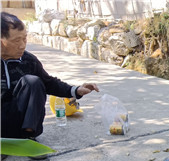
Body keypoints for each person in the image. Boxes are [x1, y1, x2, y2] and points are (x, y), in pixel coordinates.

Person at [1, 12, 99, 151]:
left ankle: (28, 140)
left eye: (25, 39)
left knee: (33, 82)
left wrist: (75, 90)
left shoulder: (28, 60)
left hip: (18, 120)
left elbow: (48, 83)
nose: (22, 45)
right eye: (17, 41)